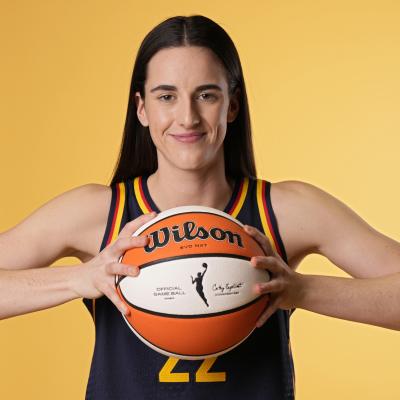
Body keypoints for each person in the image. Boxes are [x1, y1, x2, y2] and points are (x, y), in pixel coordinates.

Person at [1, 14, 399, 400]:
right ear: (142, 109)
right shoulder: (98, 214)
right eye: (167, 96)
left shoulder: (284, 210)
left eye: (206, 95)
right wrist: (80, 280)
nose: (187, 117)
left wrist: (302, 289)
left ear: (232, 106)